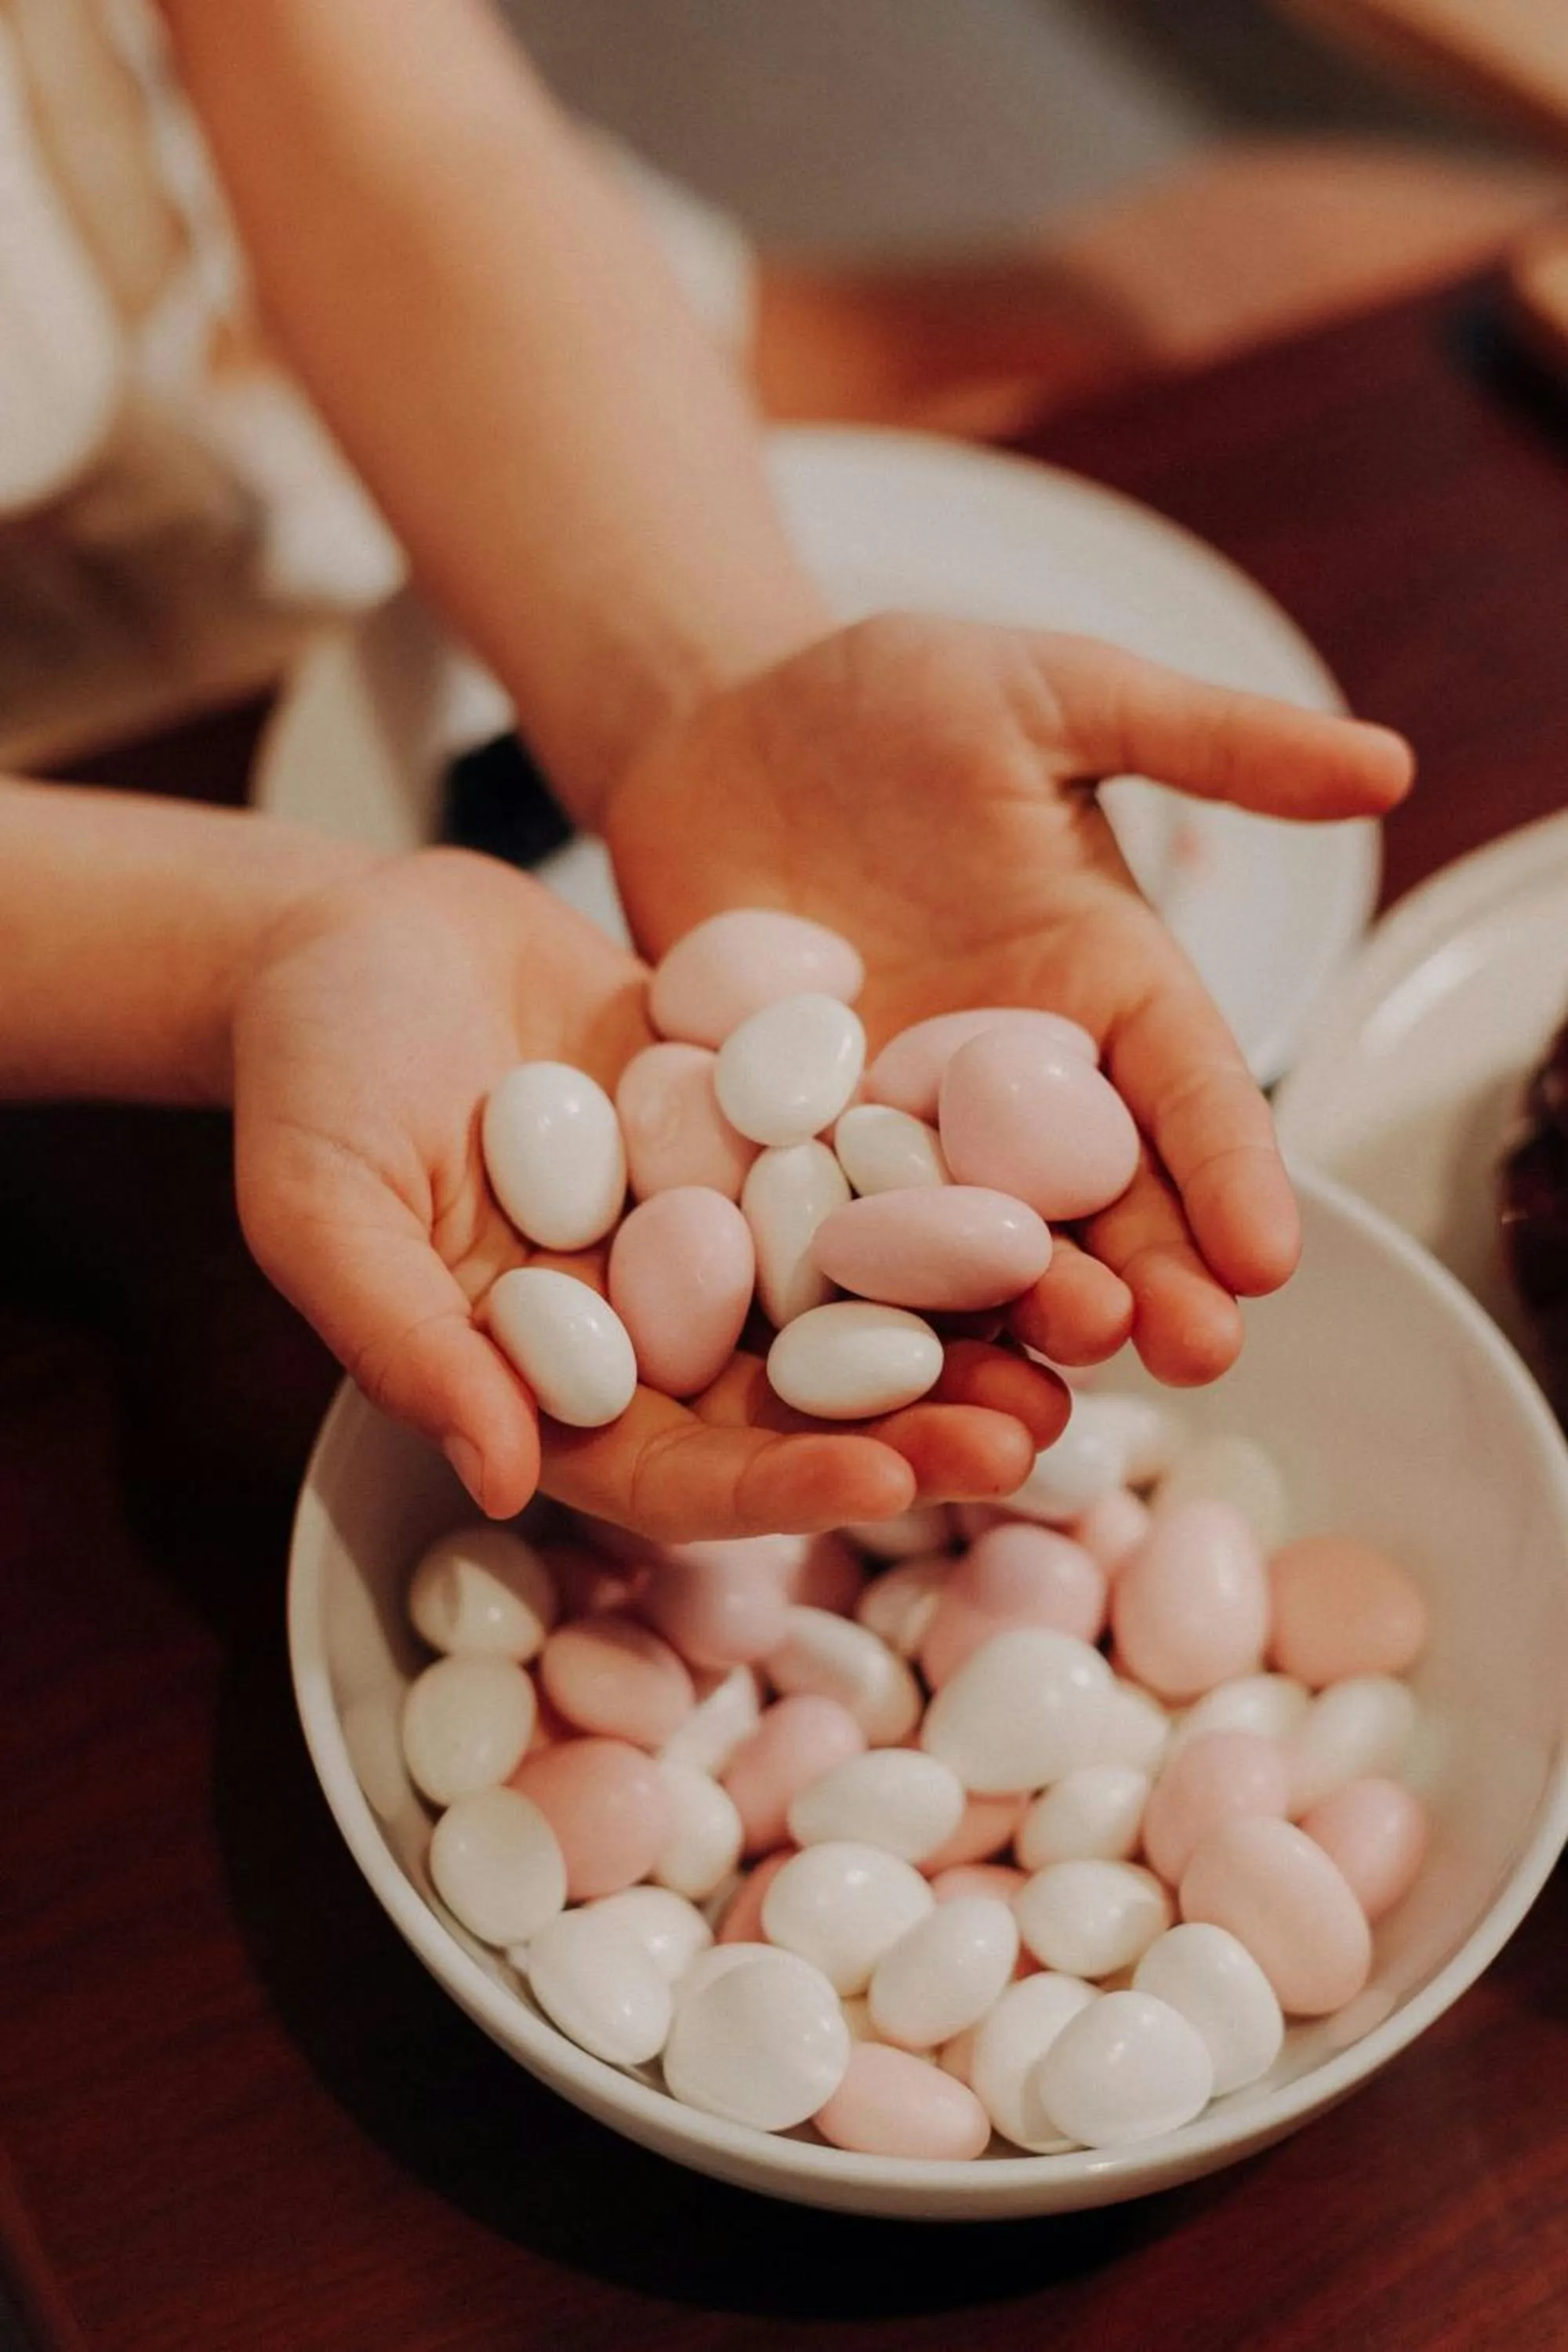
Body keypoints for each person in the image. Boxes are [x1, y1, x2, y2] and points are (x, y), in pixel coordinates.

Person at [0, 0, 1414, 1542]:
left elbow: (395, 120)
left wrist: (698, 687)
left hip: (239, 394)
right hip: (65, 758)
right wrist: (235, 945)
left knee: (1284, 255)